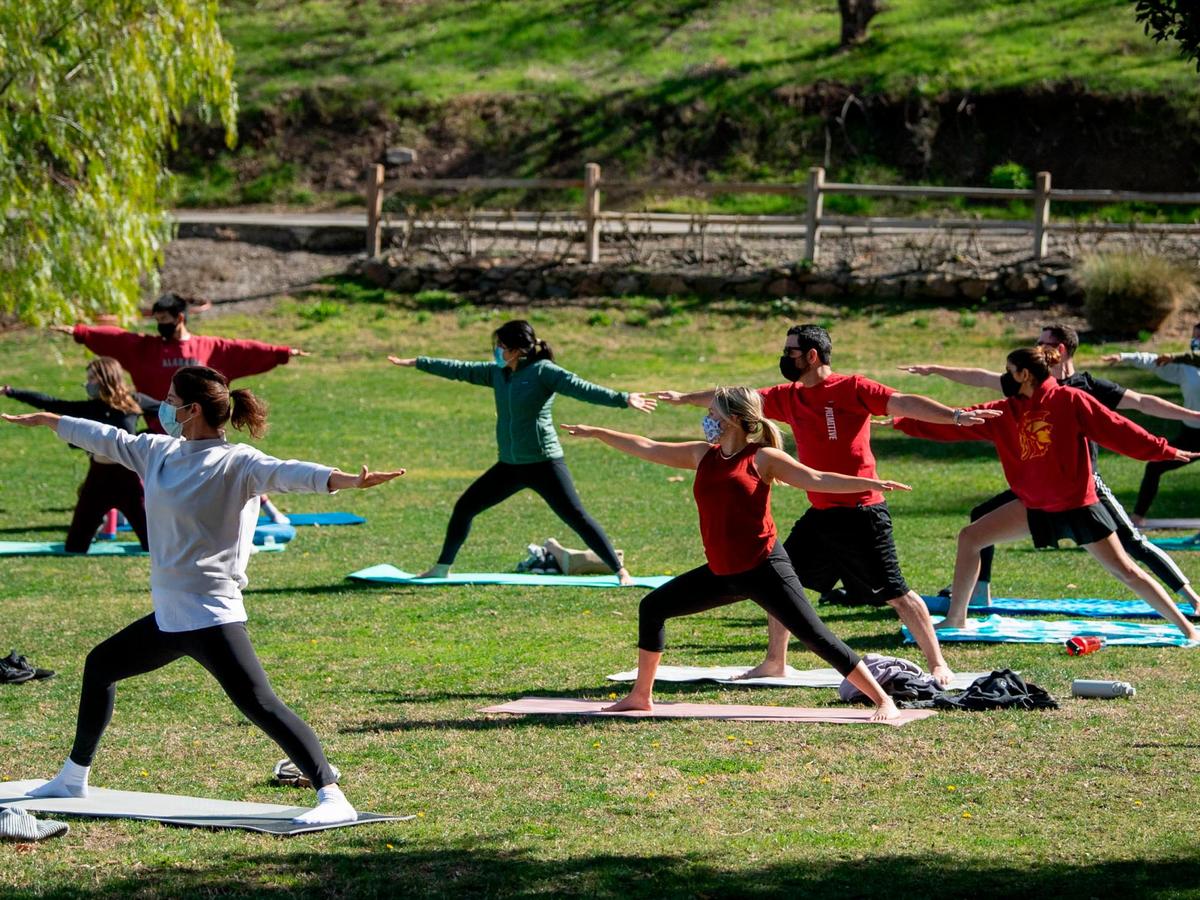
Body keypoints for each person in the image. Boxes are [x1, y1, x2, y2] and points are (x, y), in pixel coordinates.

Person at [2, 365, 404, 825]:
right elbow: (104, 437)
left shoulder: (239, 463)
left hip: (212, 616)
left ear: (192, 410)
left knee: (261, 704)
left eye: (171, 400)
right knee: (101, 665)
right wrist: (51, 421)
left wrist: (347, 480)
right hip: (170, 618)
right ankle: (73, 778)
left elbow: (290, 473)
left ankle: (333, 797)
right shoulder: (157, 452)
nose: (164, 407)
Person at [657, 324, 997, 686]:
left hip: (862, 513)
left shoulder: (853, 388)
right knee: (782, 584)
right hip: (820, 514)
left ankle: (938, 664)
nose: (785, 357)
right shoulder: (788, 396)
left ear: (812, 355)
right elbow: (733, 399)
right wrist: (684, 397)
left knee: (896, 593)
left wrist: (955, 415)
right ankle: (776, 661)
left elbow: (904, 402)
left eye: (791, 351)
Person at [562, 386, 909, 721]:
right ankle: (640, 696)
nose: (707, 418)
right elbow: (647, 446)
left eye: (712, 413)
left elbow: (815, 477)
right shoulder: (703, 455)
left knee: (816, 636)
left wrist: (870, 484)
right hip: (722, 572)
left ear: (733, 419)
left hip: (765, 569)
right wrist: (597, 431)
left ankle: (882, 699)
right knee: (652, 607)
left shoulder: (762, 457)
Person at [891, 346, 1200, 636]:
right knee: (970, 538)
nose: (1005, 377)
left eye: (1009, 371)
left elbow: (1116, 428)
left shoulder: (1070, 400)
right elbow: (957, 422)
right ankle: (956, 619)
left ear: (1024, 375)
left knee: (1127, 572)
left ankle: (1186, 628)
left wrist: (1164, 450)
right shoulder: (1006, 411)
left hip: (1077, 506)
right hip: (1034, 506)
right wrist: (901, 422)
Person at [388, 319, 656, 585]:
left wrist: (623, 399)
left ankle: (621, 572)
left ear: (517, 349)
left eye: (502, 346)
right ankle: (441, 568)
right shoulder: (499, 373)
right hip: (509, 466)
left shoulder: (543, 372)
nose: (497, 351)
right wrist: (417, 362)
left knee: (577, 517)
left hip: (544, 464)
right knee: (465, 507)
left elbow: (581, 387)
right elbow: (460, 369)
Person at [51, 292, 307, 524]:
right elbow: (118, 339)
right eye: (157, 319)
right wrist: (80, 332)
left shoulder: (207, 347)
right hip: (160, 431)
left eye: (164, 318)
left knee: (228, 470)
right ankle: (114, 520)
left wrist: (282, 353)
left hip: (199, 431)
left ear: (180, 317)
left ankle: (270, 511)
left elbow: (244, 350)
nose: (160, 324)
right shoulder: (145, 349)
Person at [2, 358, 153, 552]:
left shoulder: (135, 402)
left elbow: (168, 412)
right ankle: (99, 527)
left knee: (153, 545)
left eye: (92, 378)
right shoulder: (89, 408)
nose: (87, 383)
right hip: (98, 477)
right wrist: (12, 392)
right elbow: (51, 402)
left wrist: (146, 438)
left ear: (106, 378)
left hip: (129, 478)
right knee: (75, 546)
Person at [1099, 322, 1200, 521]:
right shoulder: (1184, 369)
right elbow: (1153, 361)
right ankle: (1137, 519)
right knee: (1154, 466)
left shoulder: (1187, 361)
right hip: (1192, 435)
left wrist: (1175, 356)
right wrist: (1124, 357)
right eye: (1194, 337)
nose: (1195, 342)